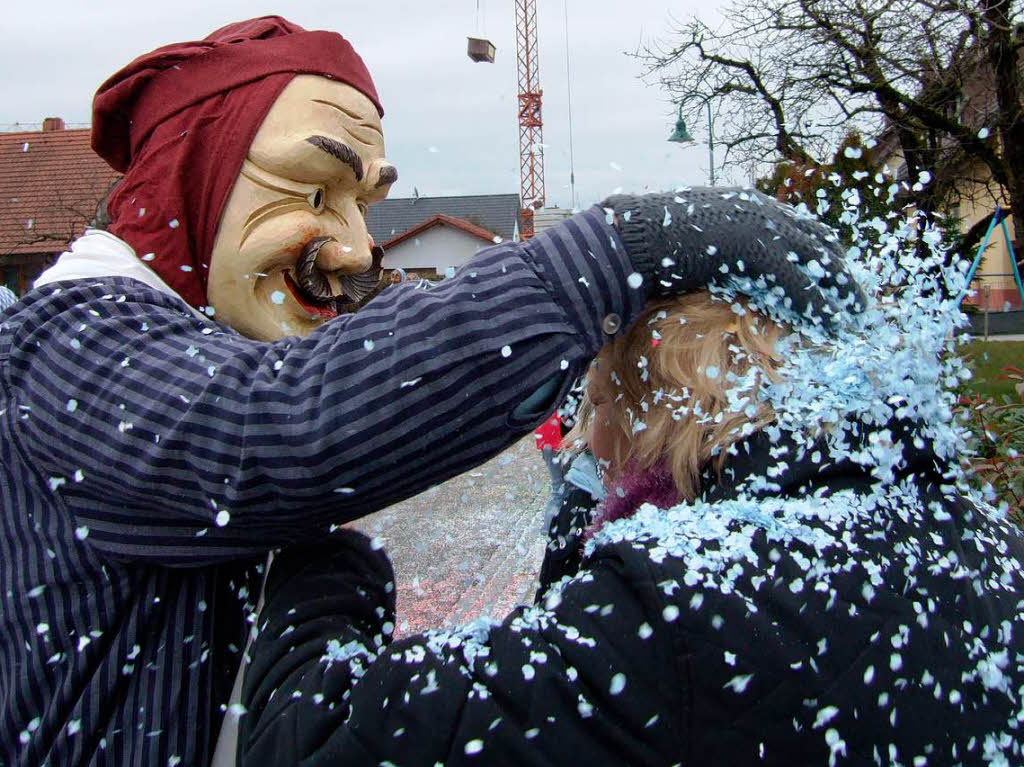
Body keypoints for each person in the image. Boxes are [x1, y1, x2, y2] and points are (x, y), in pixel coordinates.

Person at [0, 16, 862, 767]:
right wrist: (607, 256)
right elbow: (276, 428)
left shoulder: (191, 340)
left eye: (362, 204)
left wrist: (319, 595)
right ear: (190, 179)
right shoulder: (69, 341)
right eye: (312, 189)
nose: (354, 249)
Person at [237, 282, 1024, 765]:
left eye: (600, 399)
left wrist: (318, 523)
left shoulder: (676, 603)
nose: (587, 433)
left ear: (654, 413)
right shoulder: (980, 537)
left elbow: (311, 738)